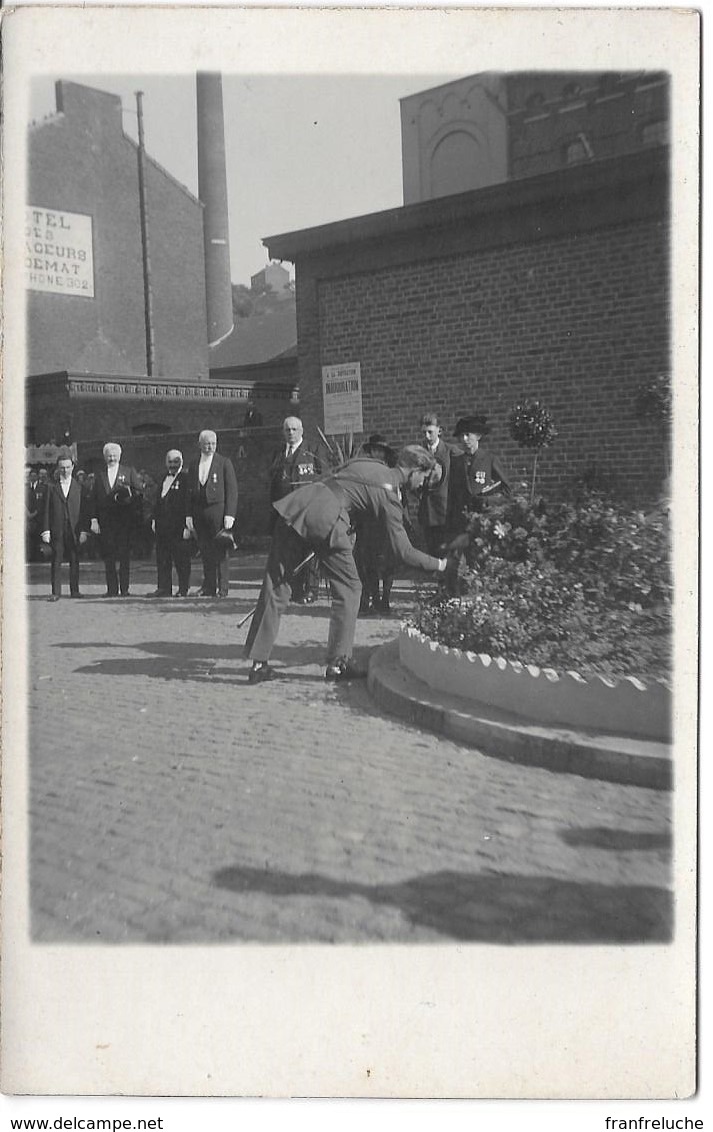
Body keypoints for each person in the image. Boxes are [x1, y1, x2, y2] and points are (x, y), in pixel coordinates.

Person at [244, 445, 449, 684]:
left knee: (276, 584)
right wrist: (441, 564)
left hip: (298, 505)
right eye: (424, 479)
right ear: (415, 470)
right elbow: (403, 552)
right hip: (328, 519)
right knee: (350, 587)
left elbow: (341, 481)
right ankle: (338, 664)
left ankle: (258, 663)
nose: (422, 486)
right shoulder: (389, 494)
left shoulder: (371, 464)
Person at [268, 415, 322, 603]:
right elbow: (273, 482)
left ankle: (312, 590)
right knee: (291, 551)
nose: (290, 433)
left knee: (309, 551)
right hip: (285, 511)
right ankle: (296, 588)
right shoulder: (278, 453)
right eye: (287, 430)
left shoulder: (313, 450)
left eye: (294, 429)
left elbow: (324, 480)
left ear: (301, 431)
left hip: (307, 510)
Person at [186, 430, 238, 598]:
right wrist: (189, 515)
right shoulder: (194, 464)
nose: (210, 447)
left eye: (213, 443)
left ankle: (223, 588)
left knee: (221, 550)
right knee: (205, 550)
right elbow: (189, 492)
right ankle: (208, 586)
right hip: (199, 512)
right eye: (207, 443)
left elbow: (232, 490)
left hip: (218, 510)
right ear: (200, 444)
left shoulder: (224, 463)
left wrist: (230, 514)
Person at [89, 442, 144, 597]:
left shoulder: (128, 471)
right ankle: (112, 589)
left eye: (114, 455)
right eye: (109, 456)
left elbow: (139, 491)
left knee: (124, 556)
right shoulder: (99, 475)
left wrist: (128, 497)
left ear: (120, 456)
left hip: (124, 521)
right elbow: (93, 499)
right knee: (109, 556)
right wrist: (94, 519)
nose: (111, 458)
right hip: (106, 523)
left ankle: (125, 589)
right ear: (104, 457)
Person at [447, 414, 511, 543]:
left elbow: (506, 491)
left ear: (478, 436)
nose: (464, 439)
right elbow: (451, 495)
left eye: (468, 435)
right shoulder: (456, 462)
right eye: (461, 436)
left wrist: (487, 501)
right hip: (461, 523)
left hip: (484, 520)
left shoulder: (489, 459)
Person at [353, 434, 398, 615]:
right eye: (374, 451)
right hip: (368, 523)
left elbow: (398, 498)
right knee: (367, 562)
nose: (377, 454)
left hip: (387, 522)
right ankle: (372, 597)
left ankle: (385, 599)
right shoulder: (363, 472)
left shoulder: (391, 473)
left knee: (388, 563)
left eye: (380, 451)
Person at [40, 449, 88, 600]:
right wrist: (46, 530)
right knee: (56, 560)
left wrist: (84, 531)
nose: (65, 470)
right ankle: (56, 592)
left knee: (75, 559)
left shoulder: (80, 487)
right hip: (57, 529)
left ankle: (75, 590)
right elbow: (46, 510)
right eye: (62, 467)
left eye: (67, 467)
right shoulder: (51, 487)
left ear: (73, 467)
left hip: (74, 529)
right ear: (58, 468)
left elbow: (84, 511)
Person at [150, 449, 191, 597]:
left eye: (176, 461)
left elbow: (188, 501)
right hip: (162, 526)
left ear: (181, 462)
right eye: (170, 461)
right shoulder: (162, 478)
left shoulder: (186, 479)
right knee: (162, 558)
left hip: (178, 526)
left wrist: (188, 524)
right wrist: (154, 519)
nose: (173, 465)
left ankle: (183, 588)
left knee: (181, 559)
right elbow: (158, 501)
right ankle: (164, 587)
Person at [417, 412, 452, 555]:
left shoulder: (450, 452)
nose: (427, 436)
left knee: (447, 552)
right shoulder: (418, 452)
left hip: (445, 510)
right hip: (427, 510)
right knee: (432, 552)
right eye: (424, 432)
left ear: (440, 431)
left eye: (430, 432)